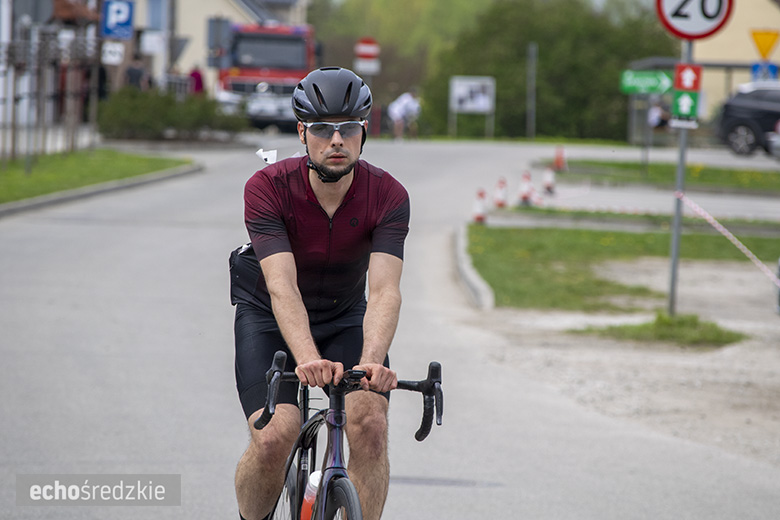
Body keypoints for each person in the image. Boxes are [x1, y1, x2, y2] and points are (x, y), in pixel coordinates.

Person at [229, 67, 410, 520]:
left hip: (343, 314)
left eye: (348, 129)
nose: (336, 141)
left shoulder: (388, 195)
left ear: (363, 133)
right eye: (323, 130)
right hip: (269, 315)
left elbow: (385, 289)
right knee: (275, 434)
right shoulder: (268, 188)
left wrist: (372, 360)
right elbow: (280, 285)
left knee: (369, 424)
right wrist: (307, 358)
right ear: (302, 133)